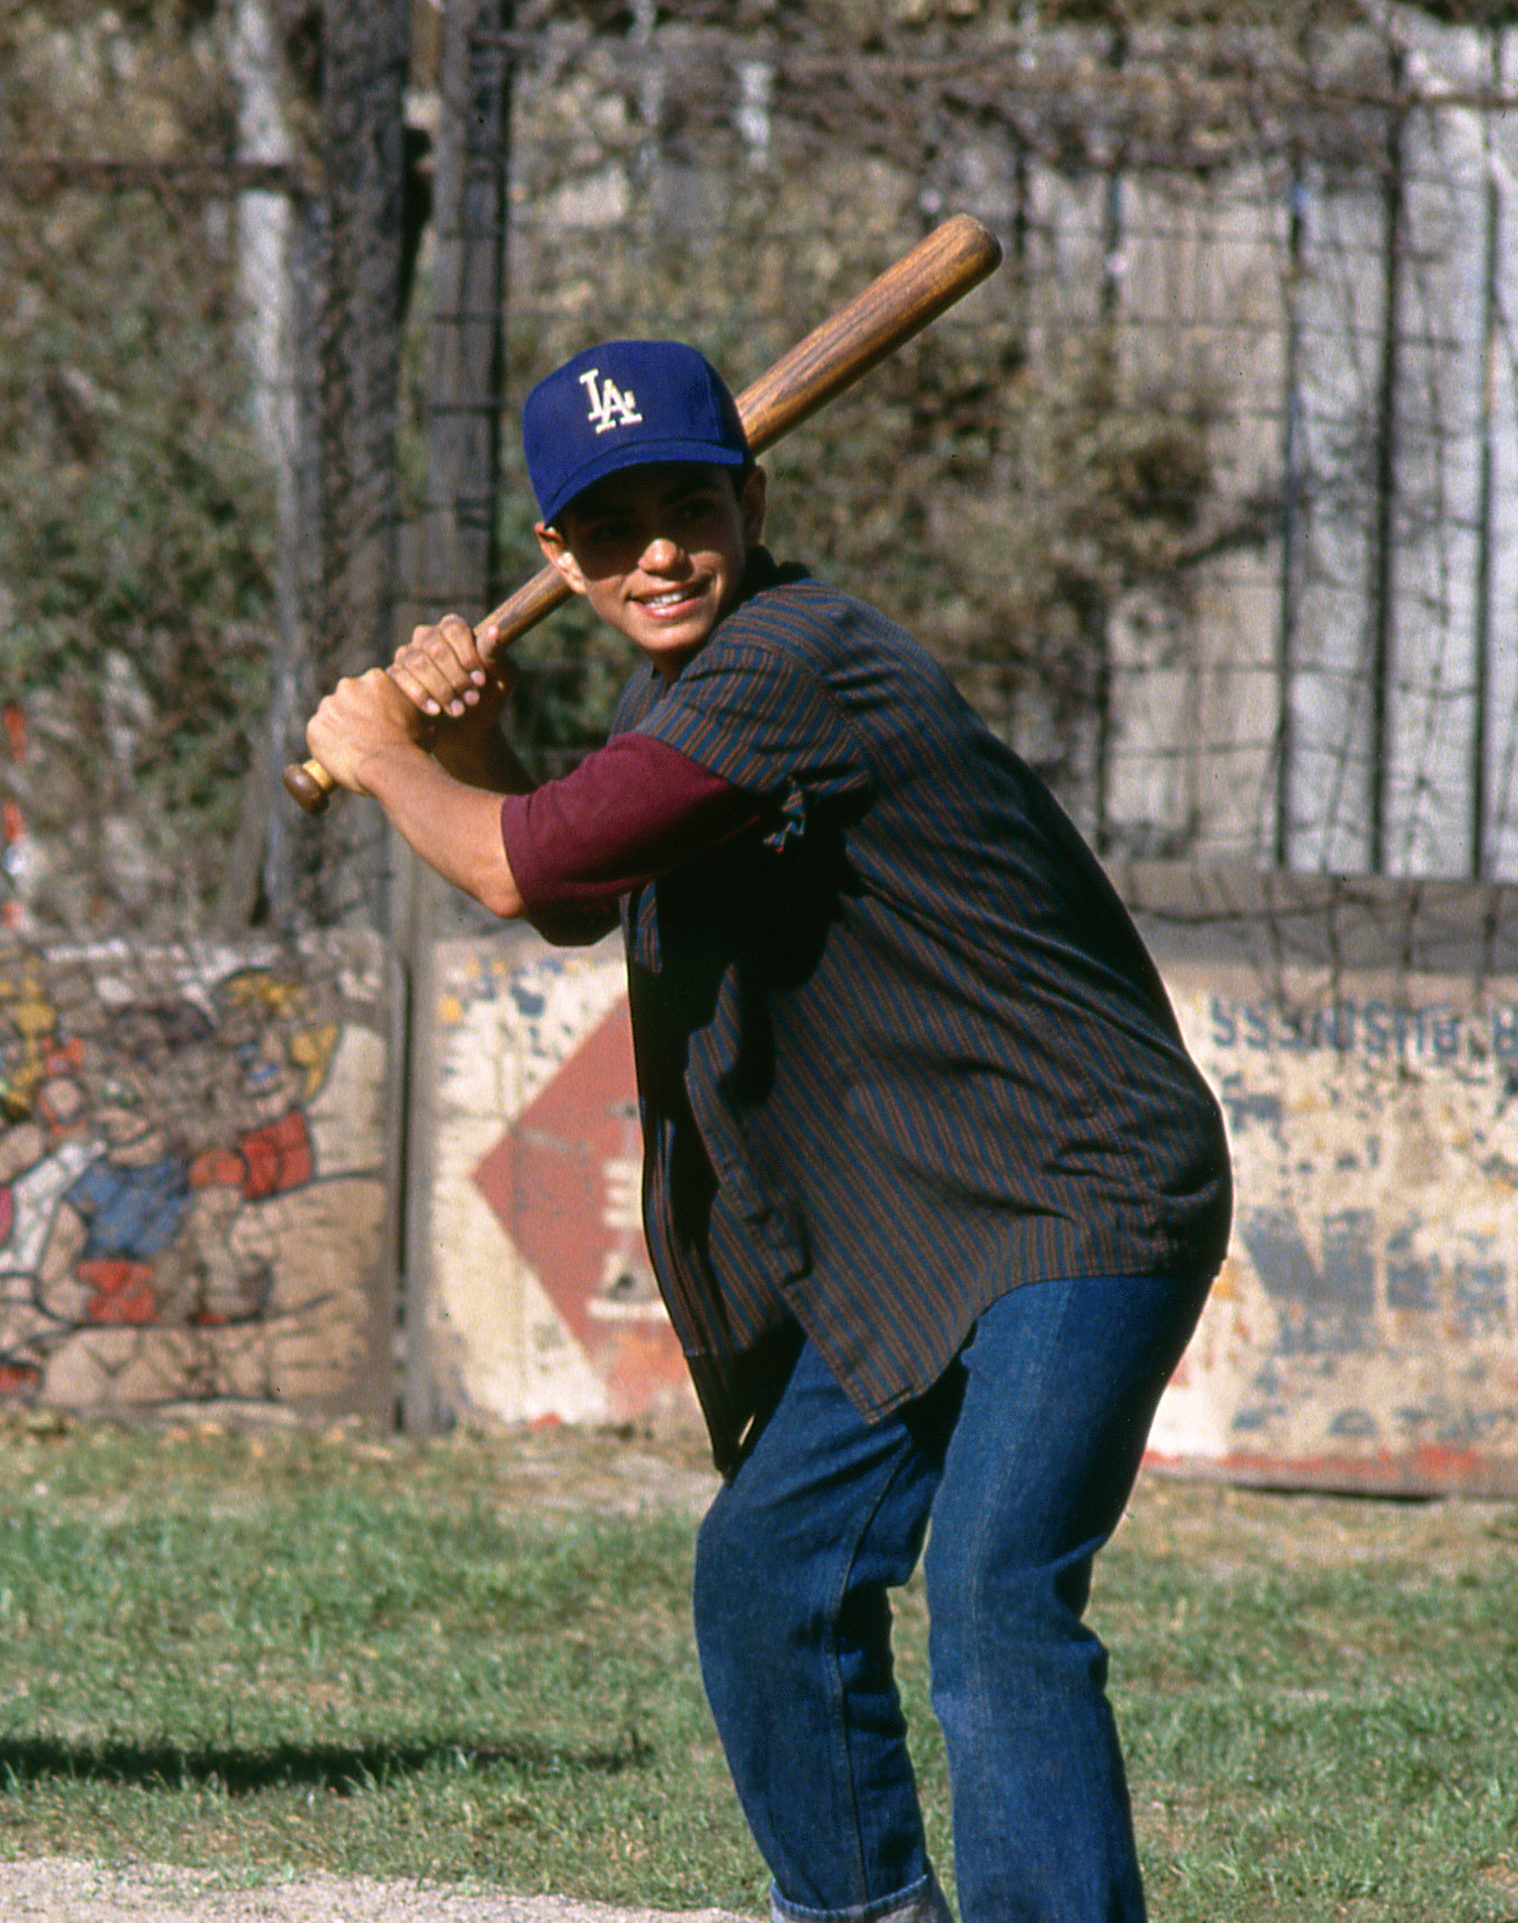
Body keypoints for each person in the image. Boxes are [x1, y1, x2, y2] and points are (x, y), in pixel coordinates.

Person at [304, 339, 1231, 1923]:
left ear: (754, 495)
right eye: (612, 528)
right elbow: (582, 891)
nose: (658, 550)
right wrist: (465, 747)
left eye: (690, 505)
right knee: (768, 1575)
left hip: (1079, 1189)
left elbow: (526, 869)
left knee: (998, 1592)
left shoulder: (803, 661)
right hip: (927, 1225)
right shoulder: (679, 692)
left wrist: (385, 755)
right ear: (559, 555)